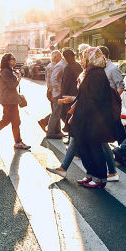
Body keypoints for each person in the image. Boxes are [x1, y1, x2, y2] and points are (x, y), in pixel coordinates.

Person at [59, 48, 119, 189]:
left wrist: (79, 113)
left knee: (94, 149)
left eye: (84, 56)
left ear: (91, 58)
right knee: (85, 148)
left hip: (93, 119)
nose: (82, 59)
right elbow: (84, 96)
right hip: (86, 117)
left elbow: (92, 99)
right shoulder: (91, 73)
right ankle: (91, 174)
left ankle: (100, 178)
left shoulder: (96, 74)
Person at [46, 48, 87, 177]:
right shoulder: (78, 66)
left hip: (69, 96)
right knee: (71, 125)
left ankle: (66, 135)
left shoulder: (69, 67)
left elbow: (65, 82)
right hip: (75, 96)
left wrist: (59, 92)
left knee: (66, 116)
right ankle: (65, 165)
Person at [0, 53, 29, 150]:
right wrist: (19, 79)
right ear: (7, 61)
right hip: (9, 100)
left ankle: (17, 142)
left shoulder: (8, 71)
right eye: (13, 59)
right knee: (7, 120)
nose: (15, 60)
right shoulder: (6, 72)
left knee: (15, 121)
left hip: (10, 100)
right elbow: (12, 86)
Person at [98, 45, 126, 143]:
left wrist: (112, 99)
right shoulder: (101, 68)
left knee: (117, 125)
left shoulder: (113, 68)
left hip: (111, 103)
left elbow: (121, 87)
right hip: (103, 103)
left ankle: (124, 150)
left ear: (103, 55)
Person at [44, 50, 67, 139]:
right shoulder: (52, 66)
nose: (61, 58)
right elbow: (51, 82)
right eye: (59, 56)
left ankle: (56, 131)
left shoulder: (54, 65)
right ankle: (51, 131)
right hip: (53, 91)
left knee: (57, 111)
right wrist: (54, 92)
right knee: (56, 112)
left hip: (53, 91)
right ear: (55, 57)